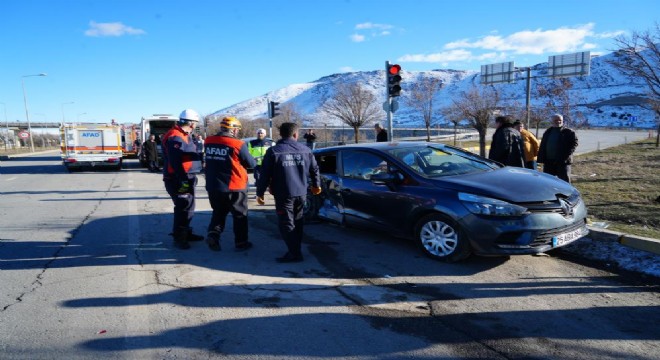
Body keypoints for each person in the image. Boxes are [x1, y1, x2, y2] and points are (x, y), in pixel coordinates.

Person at [256, 122, 321, 263]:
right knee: (297, 221)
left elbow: (265, 174)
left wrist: (260, 192)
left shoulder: (274, 151)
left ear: (281, 134)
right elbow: (315, 169)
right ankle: (295, 248)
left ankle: (295, 253)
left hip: (283, 194)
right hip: (301, 193)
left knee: (286, 223)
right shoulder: (305, 150)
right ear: (295, 134)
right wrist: (316, 185)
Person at [203, 116, 256, 252]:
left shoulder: (208, 141)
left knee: (218, 212)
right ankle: (241, 242)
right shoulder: (237, 144)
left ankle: (213, 235)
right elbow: (251, 163)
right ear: (232, 130)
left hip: (214, 185)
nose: (237, 132)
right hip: (235, 186)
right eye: (237, 129)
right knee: (239, 215)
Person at [162, 109, 204, 250]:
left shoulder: (184, 134)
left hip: (186, 176)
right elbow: (175, 161)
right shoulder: (176, 136)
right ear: (191, 123)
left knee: (188, 206)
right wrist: (183, 179)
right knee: (183, 207)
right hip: (178, 178)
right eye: (195, 123)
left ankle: (186, 232)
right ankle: (180, 237)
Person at [538, 113, 578, 183]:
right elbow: (543, 144)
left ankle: (565, 194)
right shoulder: (548, 131)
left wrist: (566, 155)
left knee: (564, 181)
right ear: (552, 121)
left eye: (560, 120)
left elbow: (574, 144)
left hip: (562, 161)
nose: (558, 122)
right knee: (548, 181)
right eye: (556, 120)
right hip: (549, 161)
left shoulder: (568, 132)